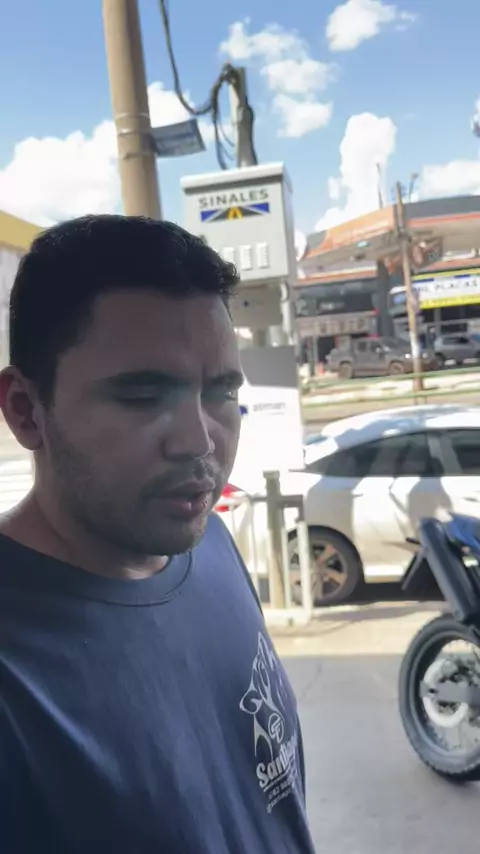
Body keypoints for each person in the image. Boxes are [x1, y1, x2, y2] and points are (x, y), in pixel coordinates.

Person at [0, 215, 315, 853]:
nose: (199, 441)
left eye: (220, 392)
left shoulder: (212, 547)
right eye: (143, 396)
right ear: (27, 410)